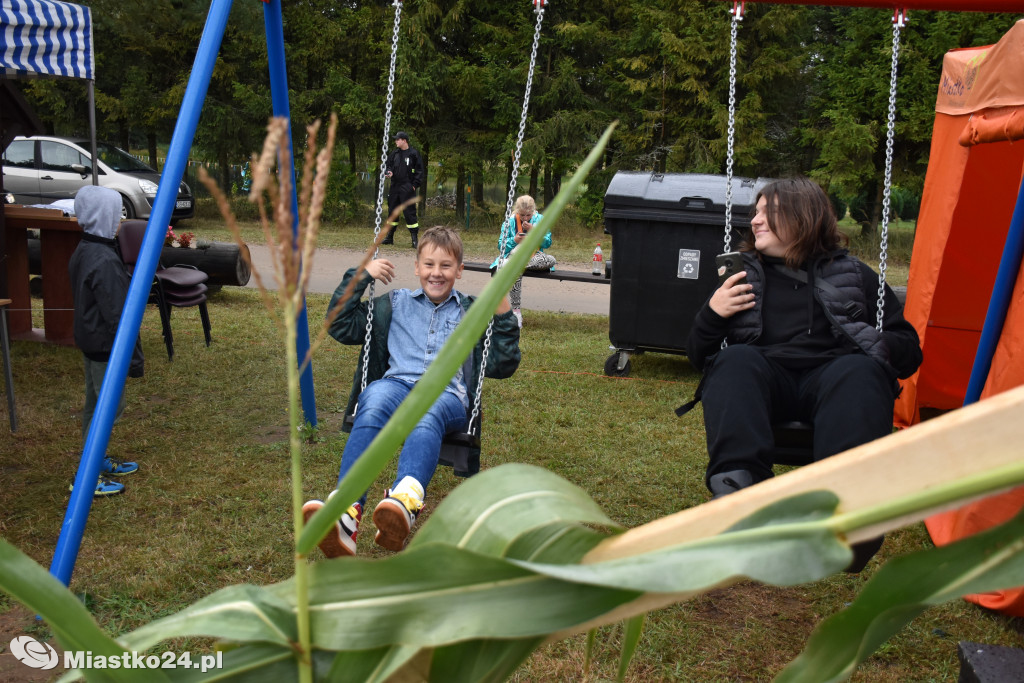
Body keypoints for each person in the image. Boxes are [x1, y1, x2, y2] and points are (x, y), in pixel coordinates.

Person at [686, 177, 922, 502]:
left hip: (834, 384)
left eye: (769, 212)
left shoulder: (854, 275)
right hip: (765, 382)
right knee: (735, 359)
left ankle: (845, 498)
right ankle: (738, 491)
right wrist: (713, 314)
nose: (755, 221)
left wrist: (869, 344)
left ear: (803, 217)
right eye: (756, 212)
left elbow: (909, 353)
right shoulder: (741, 279)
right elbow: (699, 354)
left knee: (858, 370)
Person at [304, 226, 521, 556]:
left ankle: (404, 503)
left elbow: (502, 366)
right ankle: (345, 515)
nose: (437, 273)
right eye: (429, 265)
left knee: (426, 409)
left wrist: (504, 314)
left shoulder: (472, 312)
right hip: (396, 385)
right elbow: (340, 324)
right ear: (417, 267)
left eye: (446, 266)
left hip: (446, 396)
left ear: (460, 270)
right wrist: (361, 276)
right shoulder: (394, 304)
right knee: (373, 396)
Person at [68, 185, 145, 497]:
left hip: (90, 340)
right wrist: (135, 358)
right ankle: (86, 480)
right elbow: (119, 317)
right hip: (103, 347)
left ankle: (95, 459)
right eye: (116, 215)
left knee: (94, 404)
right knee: (109, 407)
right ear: (101, 216)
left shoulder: (86, 248)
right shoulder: (105, 262)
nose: (119, 221)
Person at [491, 195, 555, 327]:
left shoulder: (540, 220)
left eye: (528, 215)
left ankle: (514, 264)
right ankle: (516, 312)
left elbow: (548, 242)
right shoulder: (510, 221)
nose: (525, 218)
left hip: (534, 257)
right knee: (516, 267)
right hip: (514, 255)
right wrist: (514, 240)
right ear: (517, 211)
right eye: (522, 215)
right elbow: (500, 246)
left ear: (533, 211)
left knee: (551, 260)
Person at [382, 131, 425, 247]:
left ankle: (414, 240)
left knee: (409, 213)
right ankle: (389, 237)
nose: (396, 141)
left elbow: (420, 171)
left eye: (398, 139)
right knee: (392, 212)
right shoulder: (394, 153)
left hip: (407, 187)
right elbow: (388, 165)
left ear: (404, 140)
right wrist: (388, 171)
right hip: (395, 186)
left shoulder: (414, 154)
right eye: (395, 139)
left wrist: (414, 185)